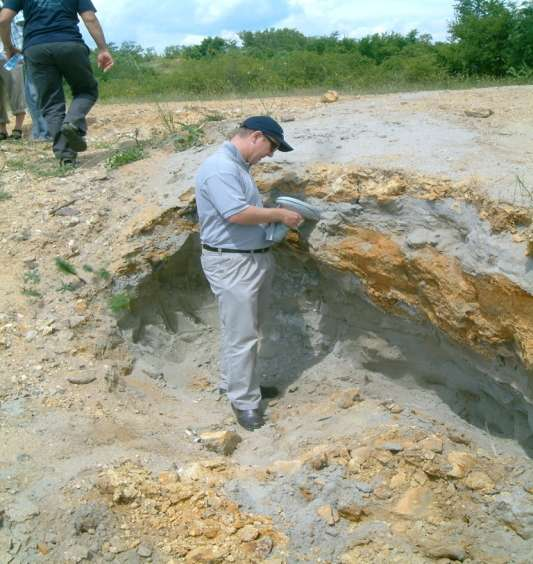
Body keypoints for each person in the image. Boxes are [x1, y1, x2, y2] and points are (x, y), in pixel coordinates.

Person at [195, 116, 303, 431]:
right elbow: (237, 213)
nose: (270, 155)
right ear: (256, 136)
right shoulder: (220, 169)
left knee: (245, 330)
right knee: (242, 335)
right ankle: (244, 402)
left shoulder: (237, 167)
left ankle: (237, 385)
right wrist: (279, 213)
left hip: (249, 260)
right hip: (233, 264)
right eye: (271, 146)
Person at [0, 0, 113, 164]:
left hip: (36, 49)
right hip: (70, 44)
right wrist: (102, 49)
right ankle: (72, 122)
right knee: (86, 91)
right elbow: (90, 18)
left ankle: (66, 156)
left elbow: (3, 19)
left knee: (51, 102)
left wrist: (8, 47)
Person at [0, 3, 26, 140]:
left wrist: (19, 49)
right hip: (7, 51)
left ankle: (18, 127)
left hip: (11, 53)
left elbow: (21, 24)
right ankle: (2, 129)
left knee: (16, 89)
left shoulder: (11, 3)